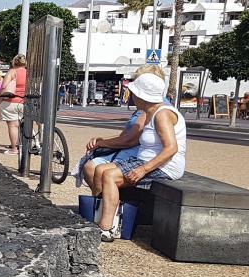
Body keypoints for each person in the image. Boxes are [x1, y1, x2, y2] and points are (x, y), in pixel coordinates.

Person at [90, 73, 186, 242]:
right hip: (146, 160)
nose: (131, 96)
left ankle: (106, 228)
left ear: (142, 96)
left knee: (109, 175)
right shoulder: (150, 112)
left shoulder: (162, 114)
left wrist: (143, 169)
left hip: (164, 166)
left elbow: (171, 148)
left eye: (133, 92)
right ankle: (104, 217)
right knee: (99, 169)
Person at [79, 64, 169, 189]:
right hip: (138, 152)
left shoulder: (152, 109)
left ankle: (104, 203)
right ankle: (104, 203)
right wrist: (103, 140)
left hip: (141, 155)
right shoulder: (150, 107)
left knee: (92, 168)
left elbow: (130, 140)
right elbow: (128, 135)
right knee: (98, 168)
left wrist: (102, 143)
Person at [0, 56, 28, 155]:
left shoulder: (12, 72)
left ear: (14, 62)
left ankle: (14, 149)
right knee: (27, 123)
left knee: (13, 126)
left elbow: (4, 87)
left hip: (11, 102)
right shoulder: (29, 73)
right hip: (25, 102)